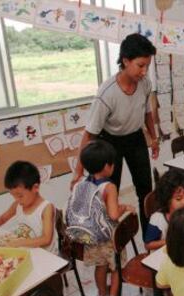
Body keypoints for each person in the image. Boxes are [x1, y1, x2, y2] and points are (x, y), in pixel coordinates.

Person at [71, 33, 158, 239]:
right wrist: (78, 171)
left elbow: (147, 112)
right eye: (140, 65)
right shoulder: (107, 93)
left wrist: (153, 138)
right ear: (126, 61)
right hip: (110, 143)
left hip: (135, 138)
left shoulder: (145, 84)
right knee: (111, 192)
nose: (144, 71)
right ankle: (111, 242)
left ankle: (150, 238)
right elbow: (89, 134)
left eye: (147, 66)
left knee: (146, 190)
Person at [72, 140, 135, 296]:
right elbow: (113, 215)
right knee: (115, 266)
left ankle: (101, 295)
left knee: (101, 266)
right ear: (107, 166)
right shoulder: (109, 187)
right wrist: (125, 207)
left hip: (91, 235)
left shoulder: (81, 183)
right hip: (108, 237)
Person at [0, 161, 58, 254]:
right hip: (27, 252)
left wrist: (18, 243)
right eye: (13, 196)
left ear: (35, 188)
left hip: (47, 257)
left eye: (20, 196)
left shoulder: (46, 208)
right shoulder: (17, 205)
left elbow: (46, 239)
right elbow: (2, 218)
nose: (17, 200)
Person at [144, 169, 184, 251]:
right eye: (178, 199)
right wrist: (171, 241)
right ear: (167, 199)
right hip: (160, 258)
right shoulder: (157, 220)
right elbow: (148, 245)